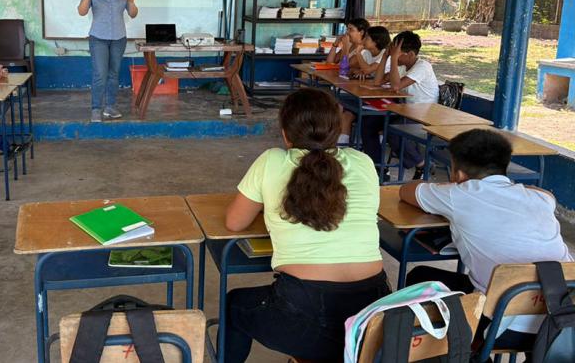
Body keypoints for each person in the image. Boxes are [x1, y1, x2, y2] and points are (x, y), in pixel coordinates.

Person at [223, 88, 390, 362]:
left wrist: (268, 204)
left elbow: (234, 222)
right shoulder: (363, 162)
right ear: (337, 129)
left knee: (235, 305)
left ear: (285, 134)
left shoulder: (271, 161)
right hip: (370, 322)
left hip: (304, 319)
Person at [399, 128, 572, 346]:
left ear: (459, 175)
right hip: (561, 322)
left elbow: (407, 191)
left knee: (419, 277)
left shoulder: (458, 194)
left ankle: (450, 351)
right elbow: (548, 195)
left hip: (498, 328)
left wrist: (449, 186)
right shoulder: (540, 199)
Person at [363, 31, 440, 179]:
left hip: (423, 115)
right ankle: (379, 168)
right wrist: (385, 57)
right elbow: (378, 82)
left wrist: (393, 59)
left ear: (410, 54)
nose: (394, 55)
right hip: (405, 111)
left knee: (394, 131)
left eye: (398, 53)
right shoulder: (402, 66)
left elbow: (396, 86)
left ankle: (422, 164)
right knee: (369, 124)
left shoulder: (423, 66)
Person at [77, 0, 140, 123]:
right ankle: (96, 109)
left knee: (113, 74)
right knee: (100, 74)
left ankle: (110, 107)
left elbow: (133, 14)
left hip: (119, 38)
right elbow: (81, 11)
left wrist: (131, 2)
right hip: (98, 38)